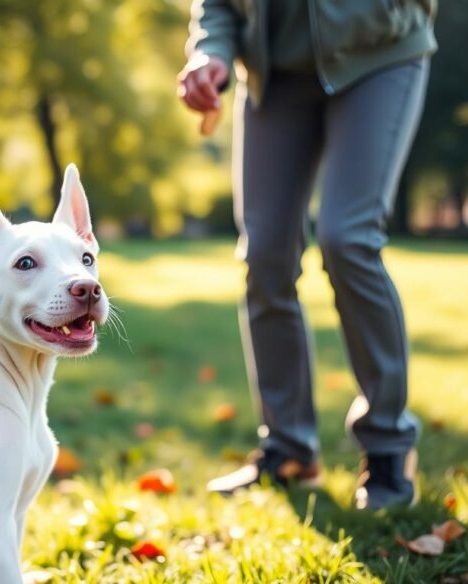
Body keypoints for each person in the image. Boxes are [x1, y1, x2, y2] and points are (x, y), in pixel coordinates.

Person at [178, 0, 437, 509]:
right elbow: (217, 6)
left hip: (378, 57)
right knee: (265, 257)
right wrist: (210, 54)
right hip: (276, 77)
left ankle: (388, 447)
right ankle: (289, 448)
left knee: (349, 239)